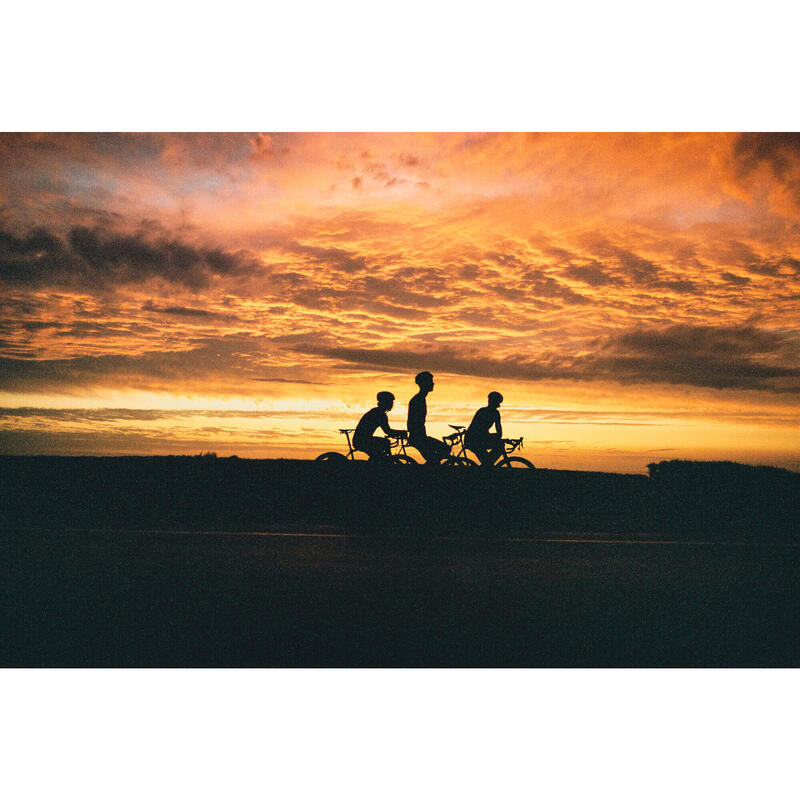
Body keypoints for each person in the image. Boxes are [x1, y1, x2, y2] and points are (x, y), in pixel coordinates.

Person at [407, 371, 450, 465]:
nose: (433, 383)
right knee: (443, 451)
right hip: (418, 437)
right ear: (424, 383)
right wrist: (420, 437)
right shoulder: (418, 400)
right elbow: (414, 422)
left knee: (437, 457)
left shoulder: (420, 399)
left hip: (420, 436)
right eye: (430, 381)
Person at [352, 391, 407, 460]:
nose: (392, 405)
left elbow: (387, 431)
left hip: (360, 440)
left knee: (379, 454)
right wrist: (401, 432)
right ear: (386, 402)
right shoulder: (380, 414)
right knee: (385, 443)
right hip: (362, 441)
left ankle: (380, 462)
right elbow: (387, 431)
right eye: (391, 402)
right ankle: (386, 463)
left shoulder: (376, 411)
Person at [465, 391, 506, 467]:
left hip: (481, 439)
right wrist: (496, 437)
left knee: (497, 449)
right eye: (498, 402)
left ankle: (485, 467)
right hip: (473, 440)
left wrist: (498, 437)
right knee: (488, 461)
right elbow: (478, 431)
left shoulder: (496, 413)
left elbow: (499, 430)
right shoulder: (482, 412)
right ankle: (485, 469)